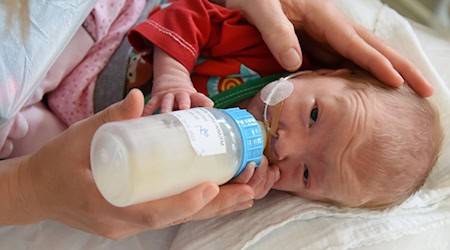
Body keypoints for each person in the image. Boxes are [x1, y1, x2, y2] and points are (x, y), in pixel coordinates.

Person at [0, 0, 437, 240]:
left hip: (80, 117)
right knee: (51, 50)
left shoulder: (241, 172)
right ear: (320, 72)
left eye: (306, 173)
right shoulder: (260, 51)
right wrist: (172, 74)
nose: (286, 147)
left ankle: (18, 125)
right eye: (315, 114)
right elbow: (191, 14)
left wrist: (228, 188)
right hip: (109, 41)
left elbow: (164, 191)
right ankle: (19, 87)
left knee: (60, 158)